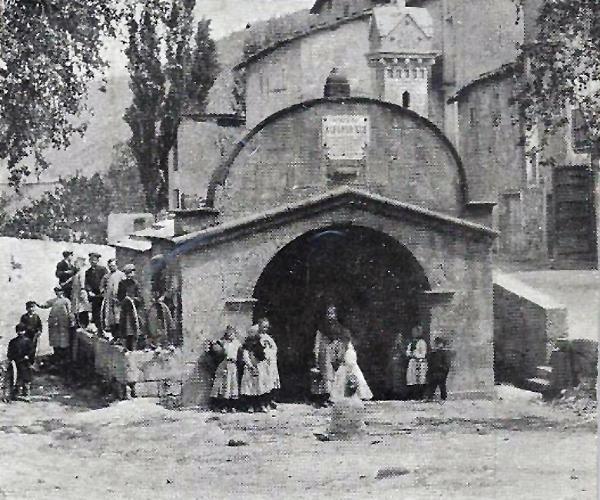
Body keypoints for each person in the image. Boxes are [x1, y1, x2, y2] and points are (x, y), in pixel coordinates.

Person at [311, 305, 348, 407]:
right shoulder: (322, 328)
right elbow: (318, 341)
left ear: (336, 315)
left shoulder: (339, 327)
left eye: (332, 313)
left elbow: (342, 340)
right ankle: (324, 398)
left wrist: (340, 351)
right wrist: (316, 352)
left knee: (334, 375)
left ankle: (333, 397)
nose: (330, 316)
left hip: (334, 352)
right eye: (328, 313)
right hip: (324, 351)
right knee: (325, 375)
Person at [37, 287, 74, 368]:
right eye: (56, 291)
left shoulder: (66, 300)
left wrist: (71, 321)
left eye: (59, 291)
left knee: (63, 340)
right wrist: (37, 304)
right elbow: (45, 305)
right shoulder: (53, 300)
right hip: (54, 324)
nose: (58, 292)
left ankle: (64, 359)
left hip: (63, 324)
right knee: (55, 340)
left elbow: (70, 311)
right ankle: (56, 357)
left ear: (62, 291)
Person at [330, 332, 373, 403]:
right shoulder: (342, 347)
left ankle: (360, 396)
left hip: (351, 367)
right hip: (345, 367)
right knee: (340, 382)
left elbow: (350, 360)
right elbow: (339, 357)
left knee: (356, 381)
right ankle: (339, 397)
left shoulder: (350, 349)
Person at [209, 326, 242, 412]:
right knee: (225, 385)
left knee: (233, 385)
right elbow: (216, 346)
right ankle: (224, 406)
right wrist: (213, 343)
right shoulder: (224, 343)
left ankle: (233, 406)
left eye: (232, 334)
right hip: (226, 364)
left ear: (235, 334)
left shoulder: (237, 343)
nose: (230, 336)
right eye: (229, 334)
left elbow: (240, 353)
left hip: (233, 365)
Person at [240, 325, 267, 412]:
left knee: (260, 386)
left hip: (259, 367)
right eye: (251, 333)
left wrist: (260, 365)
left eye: (255, 333)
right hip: (249, 368)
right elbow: (245, 356)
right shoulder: (246, 346)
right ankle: (250, 405)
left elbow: (263, 356)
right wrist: (250, 366)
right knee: (250, 387)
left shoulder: (260, 344)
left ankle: (261, 405)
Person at [117, 264, 144, 351]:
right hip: (125, 309)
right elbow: (119, 296)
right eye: (128, 273)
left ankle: (135, 347)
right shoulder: (122, 283)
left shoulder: (136, 284)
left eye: (131, 272)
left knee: (135, 327)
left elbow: (140, 297)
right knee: (125, 328)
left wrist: (134, 299)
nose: (130, 274)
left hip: (134, 310)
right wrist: (124, 299)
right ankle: (126, 347)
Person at [7, 323, 34, 401]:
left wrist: (28, 356)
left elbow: (32, 351)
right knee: (21, 378)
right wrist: (11, 358)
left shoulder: (25, 341)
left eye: (21, 331)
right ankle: (19, 393)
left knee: (23, 378)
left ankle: (23, 393)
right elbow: (10, 352)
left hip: (22, 362)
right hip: (20, 362)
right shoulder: (15, 342)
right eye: (19, 331)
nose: (20, 333)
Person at [257, 317, 280, 410]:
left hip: (271, 362)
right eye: (263, 327)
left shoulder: (269, 337)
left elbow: (274, 348)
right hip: (262, 363)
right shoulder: (257, 337)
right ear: (259, 326)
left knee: (271, 382)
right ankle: (262, 403)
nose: (265, 329)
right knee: (263, 382)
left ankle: (269, 401)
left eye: (266, 327)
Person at [101, 258, 125, 337]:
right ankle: (113, 334)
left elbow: (125, 285)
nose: (111, 267)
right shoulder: (106, 276)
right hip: (109, 298)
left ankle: (120, 335)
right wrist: (104, 293)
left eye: (113, 266)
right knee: (110, 317)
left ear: (116, 265)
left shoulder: (121, 275)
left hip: (119, 299)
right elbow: (102, 286)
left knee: (118, 316)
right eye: (110, 266)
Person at [85, 252, 108, 332]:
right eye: (91, 260)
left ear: (97, 261)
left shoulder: (102, 269)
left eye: (94, 260)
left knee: (102, 312)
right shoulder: (88, 272)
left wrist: (103, 291)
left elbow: (106, 280)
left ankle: (103, 329)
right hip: (93, 295)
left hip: (102, 294)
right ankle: (98, 329)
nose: (93, 262)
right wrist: (89, 291)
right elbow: (87, 283)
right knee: (95, 312)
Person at [406, 325, 428, 400]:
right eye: (413, 332)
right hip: (412, 362)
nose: (414, 333)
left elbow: (423, 354)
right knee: (412, 379)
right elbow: (408, 352)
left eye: (415, 332)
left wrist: (415, 354)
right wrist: (410, 354)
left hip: (420, 362)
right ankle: (413, 396)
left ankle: (420, 396)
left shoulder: (422, 342)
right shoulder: (411, 342)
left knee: (420, 379)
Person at [426, 337, 452, 401]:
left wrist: (443, 368)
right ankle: (430, 397)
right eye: (436, 344)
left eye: (438, 344)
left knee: (442, 386)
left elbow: (447, 364)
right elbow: (430, 363)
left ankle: (443, 397)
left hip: (441, 372)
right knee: (432, 386)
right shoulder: (432, 353)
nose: (437, 345)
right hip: (434, 372)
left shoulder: (444, 353)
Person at [71, 256, 91, 329]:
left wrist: (82, 290)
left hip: (81, 294)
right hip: (76, 294)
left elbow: (82, 282)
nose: (75, 265)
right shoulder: (77, 273)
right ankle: (79, 324)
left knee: (82, 309)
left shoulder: (82, 272)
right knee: (77, 309)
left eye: (77, 263)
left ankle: (83, 325)